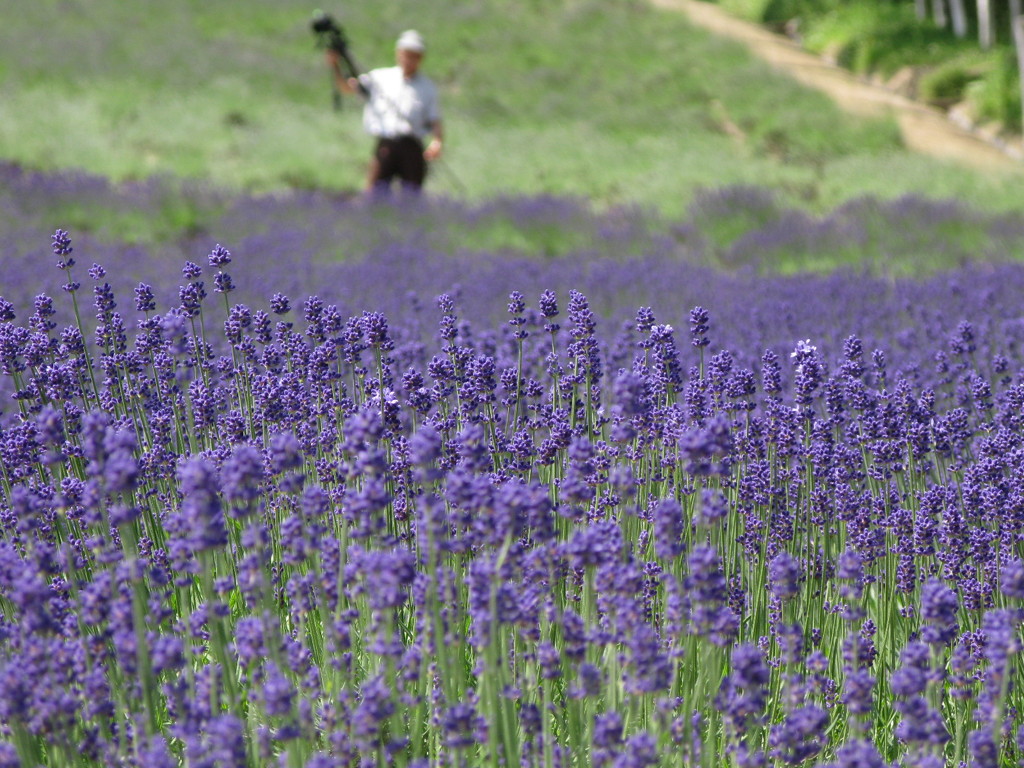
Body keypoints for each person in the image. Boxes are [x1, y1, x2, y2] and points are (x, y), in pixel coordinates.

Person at [326, 29, 443, 195]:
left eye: (414, 56)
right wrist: (336, 66)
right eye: (405, 54)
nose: (409, 60)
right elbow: (348, 87)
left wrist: (437, 142)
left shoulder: (427, 87)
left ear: (420, 58)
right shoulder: (381, 77)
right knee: (374, 195)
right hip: (386, 145)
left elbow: (435, 119)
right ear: (398, 54)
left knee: (411, 197)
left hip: (412, 147)